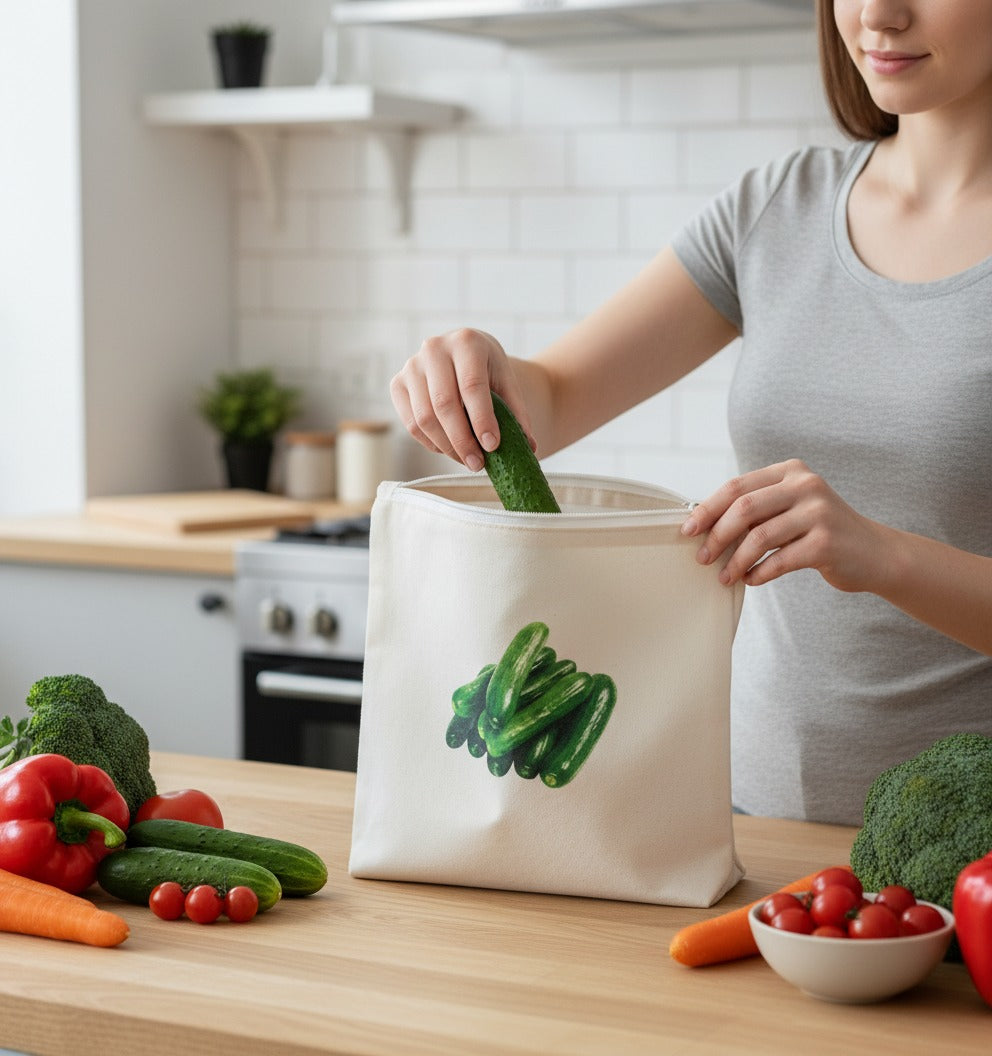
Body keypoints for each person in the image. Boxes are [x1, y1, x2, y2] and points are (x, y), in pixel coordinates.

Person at [388, 0, 992, 825]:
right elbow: (554, 397)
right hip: (757, 825)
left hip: (973, 850)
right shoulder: (777, 208)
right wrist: (481, 371)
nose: (880, 14)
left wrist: (880, 554)